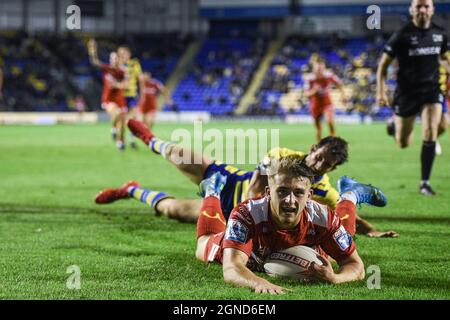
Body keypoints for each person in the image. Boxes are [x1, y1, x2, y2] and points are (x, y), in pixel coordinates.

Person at [95, 119, 398, 238]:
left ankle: (131, 189)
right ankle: (149, 138)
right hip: (229, 182)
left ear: (332, 169)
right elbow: (255, 185)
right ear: (313, 148)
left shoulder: (322, 188)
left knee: (170, 210)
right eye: (319, 157)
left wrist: (370, 230)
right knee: (178, 153)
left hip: (229, 212)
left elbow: (343, 212)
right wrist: (241, 221)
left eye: (327, 165)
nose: (320, 165)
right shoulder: (282, 154)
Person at [194, 157, 386, 293]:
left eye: (299, 193)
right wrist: (258, 283)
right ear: (268, 192)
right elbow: (232, 268)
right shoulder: (247, 214)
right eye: (282, 191)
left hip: (303, 247)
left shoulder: (323, 218)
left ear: (309, 196)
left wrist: (335, 278)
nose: (289, 200)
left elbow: (355, 266)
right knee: (202, 245)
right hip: (250, 256)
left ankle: (350, 195)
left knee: (340, 243)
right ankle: (212, 190)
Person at [376, 0, 450, 195]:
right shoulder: (402, 35)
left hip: (431, 90)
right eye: (419, 6)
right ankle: (395, 127)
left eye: (426, 6)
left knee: (432, 132)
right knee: (403, 142)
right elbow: (383, 65)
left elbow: (443, 57)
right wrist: (381, 91)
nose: (423, 10)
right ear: (412, 10)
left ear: (432, 10)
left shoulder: (440, 34)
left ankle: (424, 183)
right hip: (406, 93)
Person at [87, 39, 128, 150]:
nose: (114, 60)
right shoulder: (107, 68)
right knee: (117, 114)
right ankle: (114, 128)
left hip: (120, 99)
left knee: (123, 122)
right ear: (110, 60)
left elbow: (126, 85)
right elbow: (95, 61)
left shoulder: (123, 71)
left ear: (119, 60)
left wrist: (117, 85)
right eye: (112, 58)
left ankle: (121, 142)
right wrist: (92, 50)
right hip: (108, 98)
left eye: (116, 58)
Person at [304, 57, 347, 142]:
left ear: (323, 68)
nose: (319, 70)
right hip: (315, 105)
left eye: (321, 68)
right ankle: (319, 145)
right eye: (317, 69)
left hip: (327, 102)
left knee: (330, 121)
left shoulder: (329, 75)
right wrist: (314, 91)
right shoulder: (310, 78)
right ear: (314, 69)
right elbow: (306, 94)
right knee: (318, 128)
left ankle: (332, 142)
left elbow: (339, 84)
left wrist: (343, 95)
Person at [117, 46, 142, 149]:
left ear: (128, 54)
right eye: (120, 53)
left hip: (132, 95)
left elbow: (140, 79)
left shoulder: (134, 64)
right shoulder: (116, 65)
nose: (122, 55)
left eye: (124, 53)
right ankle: (121, 141)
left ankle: (132, 140)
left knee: (133, 119)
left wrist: (141, 93)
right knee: (121, 120)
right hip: (120, 96)